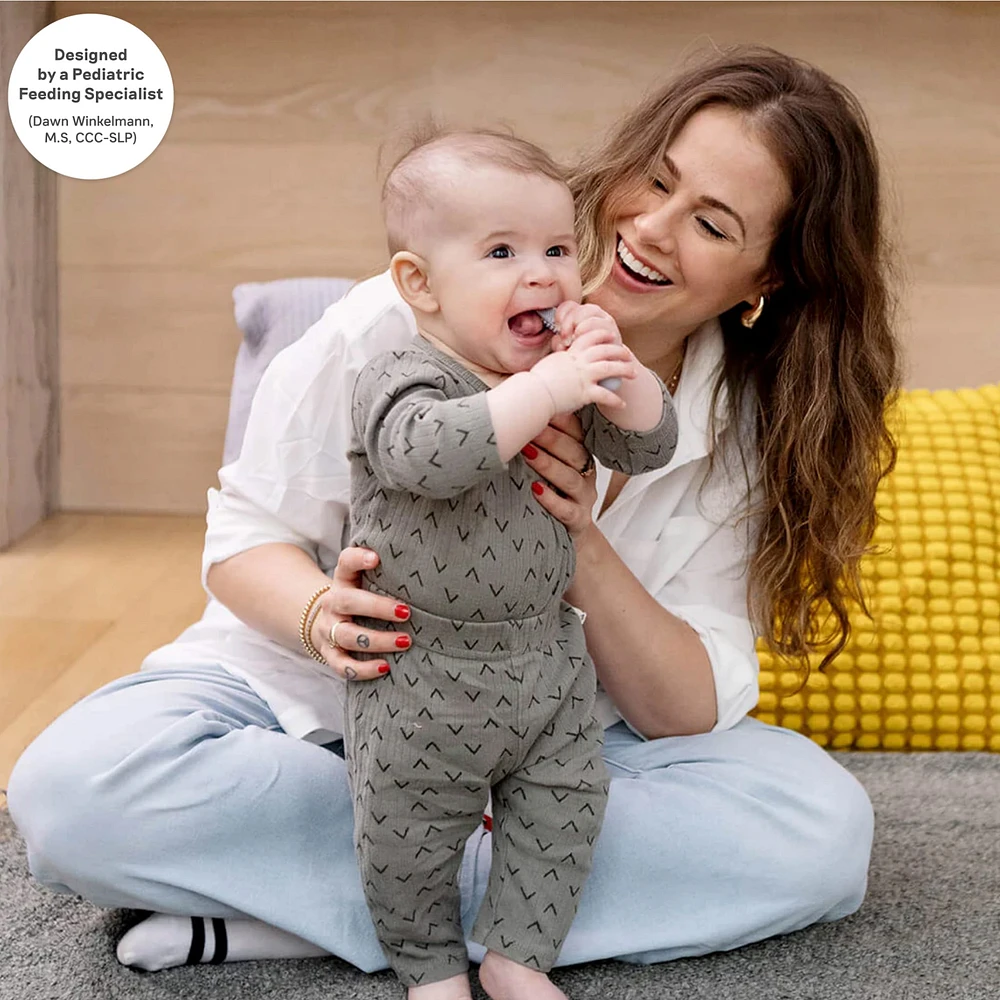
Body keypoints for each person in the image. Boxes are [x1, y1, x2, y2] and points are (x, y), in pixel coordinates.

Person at [7, 44, 899, 986]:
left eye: (712, 224)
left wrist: (581, 537)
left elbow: (683, 710)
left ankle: (328, 909)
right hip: (318, 716)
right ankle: (485, 911)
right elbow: (243, 536)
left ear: (768, 278)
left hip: (555, 748)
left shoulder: (748, 422)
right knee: (71, 790)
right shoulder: (392, 321)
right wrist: (318, 616)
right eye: (656, 178)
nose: (650, 228)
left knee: (822, 832)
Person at [344, 129, 677, 999]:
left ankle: (518, 957)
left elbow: (647, 447)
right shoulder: (402, 374)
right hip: (422, 670)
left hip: (547, 659)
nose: (543, 275)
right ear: (421, 283)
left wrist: (619, 372)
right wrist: (547, 391)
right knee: (406, 829)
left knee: (565, 811)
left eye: (558, 250)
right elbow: (428, 455)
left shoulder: (560, 373)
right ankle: (428, 967)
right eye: (502, 252)